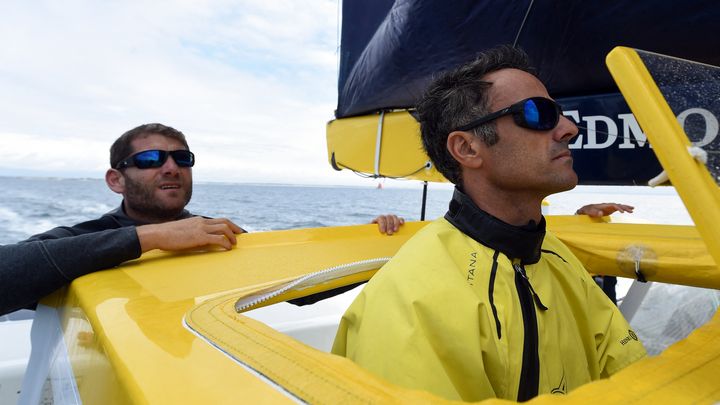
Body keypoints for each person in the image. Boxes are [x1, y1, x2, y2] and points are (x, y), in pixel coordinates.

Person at [332, 46, 646, 402]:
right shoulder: (411, 302)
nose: (570, 129)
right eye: (537, 113)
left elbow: (626, 369)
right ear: (467, 148)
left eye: (559, 113)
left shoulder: (553, 255)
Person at [0, 123, 404, 316]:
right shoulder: (86, 241)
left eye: (182, 158)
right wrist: (149, 238)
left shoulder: (214, 234)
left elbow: (299, 287)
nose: (171, 167)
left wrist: (373, 249)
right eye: (150, 160)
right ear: (115, 180)